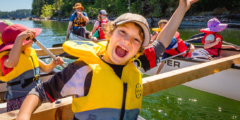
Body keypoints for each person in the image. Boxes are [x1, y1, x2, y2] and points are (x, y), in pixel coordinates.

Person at [16, 0, 198, 119]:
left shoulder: (137, 62)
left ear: (139, 48)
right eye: (123, 32)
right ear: (109, 34)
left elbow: (163, 41)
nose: (127, 41)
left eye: (136, 39)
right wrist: (23, 117)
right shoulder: (83, 70)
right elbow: (41, 91)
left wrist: (183, 7)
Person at [0, 24, 64, 112]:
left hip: (36, 95)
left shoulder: (29, 53)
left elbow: (45, 69)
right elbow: (12, 63)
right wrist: (19, 38)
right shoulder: (6, 58)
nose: (33, 39)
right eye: (29, 37)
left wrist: (54, 64)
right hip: (18, 101)